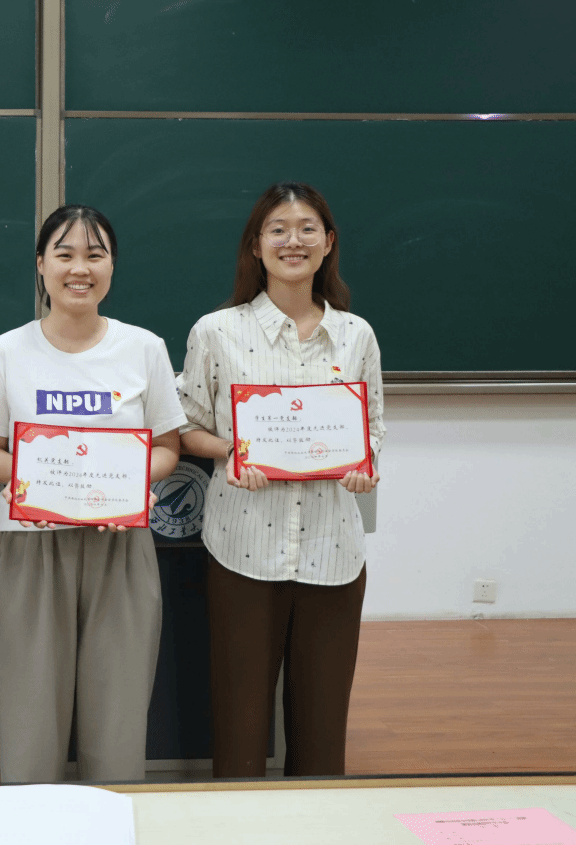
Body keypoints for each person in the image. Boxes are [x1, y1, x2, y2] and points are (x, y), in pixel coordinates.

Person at [0, 205, 184, 783]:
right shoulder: (6, 351)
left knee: (118, 719)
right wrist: (36, 486)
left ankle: (111, 817)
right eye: (64, 254)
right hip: (31, 544)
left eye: (94, 255)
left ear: (112, 266)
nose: (79, 268)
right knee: (31, 720)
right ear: (41, 265)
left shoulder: (145, 348)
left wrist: (131, 486)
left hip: (121, 544)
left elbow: (167, 447)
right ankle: (35, 820)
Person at [175, 181, 385, 777]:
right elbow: (186, 426)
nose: (293, 241)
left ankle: (313, 821)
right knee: (239, 726)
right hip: (242, 547)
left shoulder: (356, 334)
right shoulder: (216, 331)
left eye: (307, 229)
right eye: (278, 230)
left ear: (328, 242)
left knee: (322, 733)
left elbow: (372, 428)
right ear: (256, 245)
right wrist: (233, 451)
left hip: (333, 550)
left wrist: (364, 464)